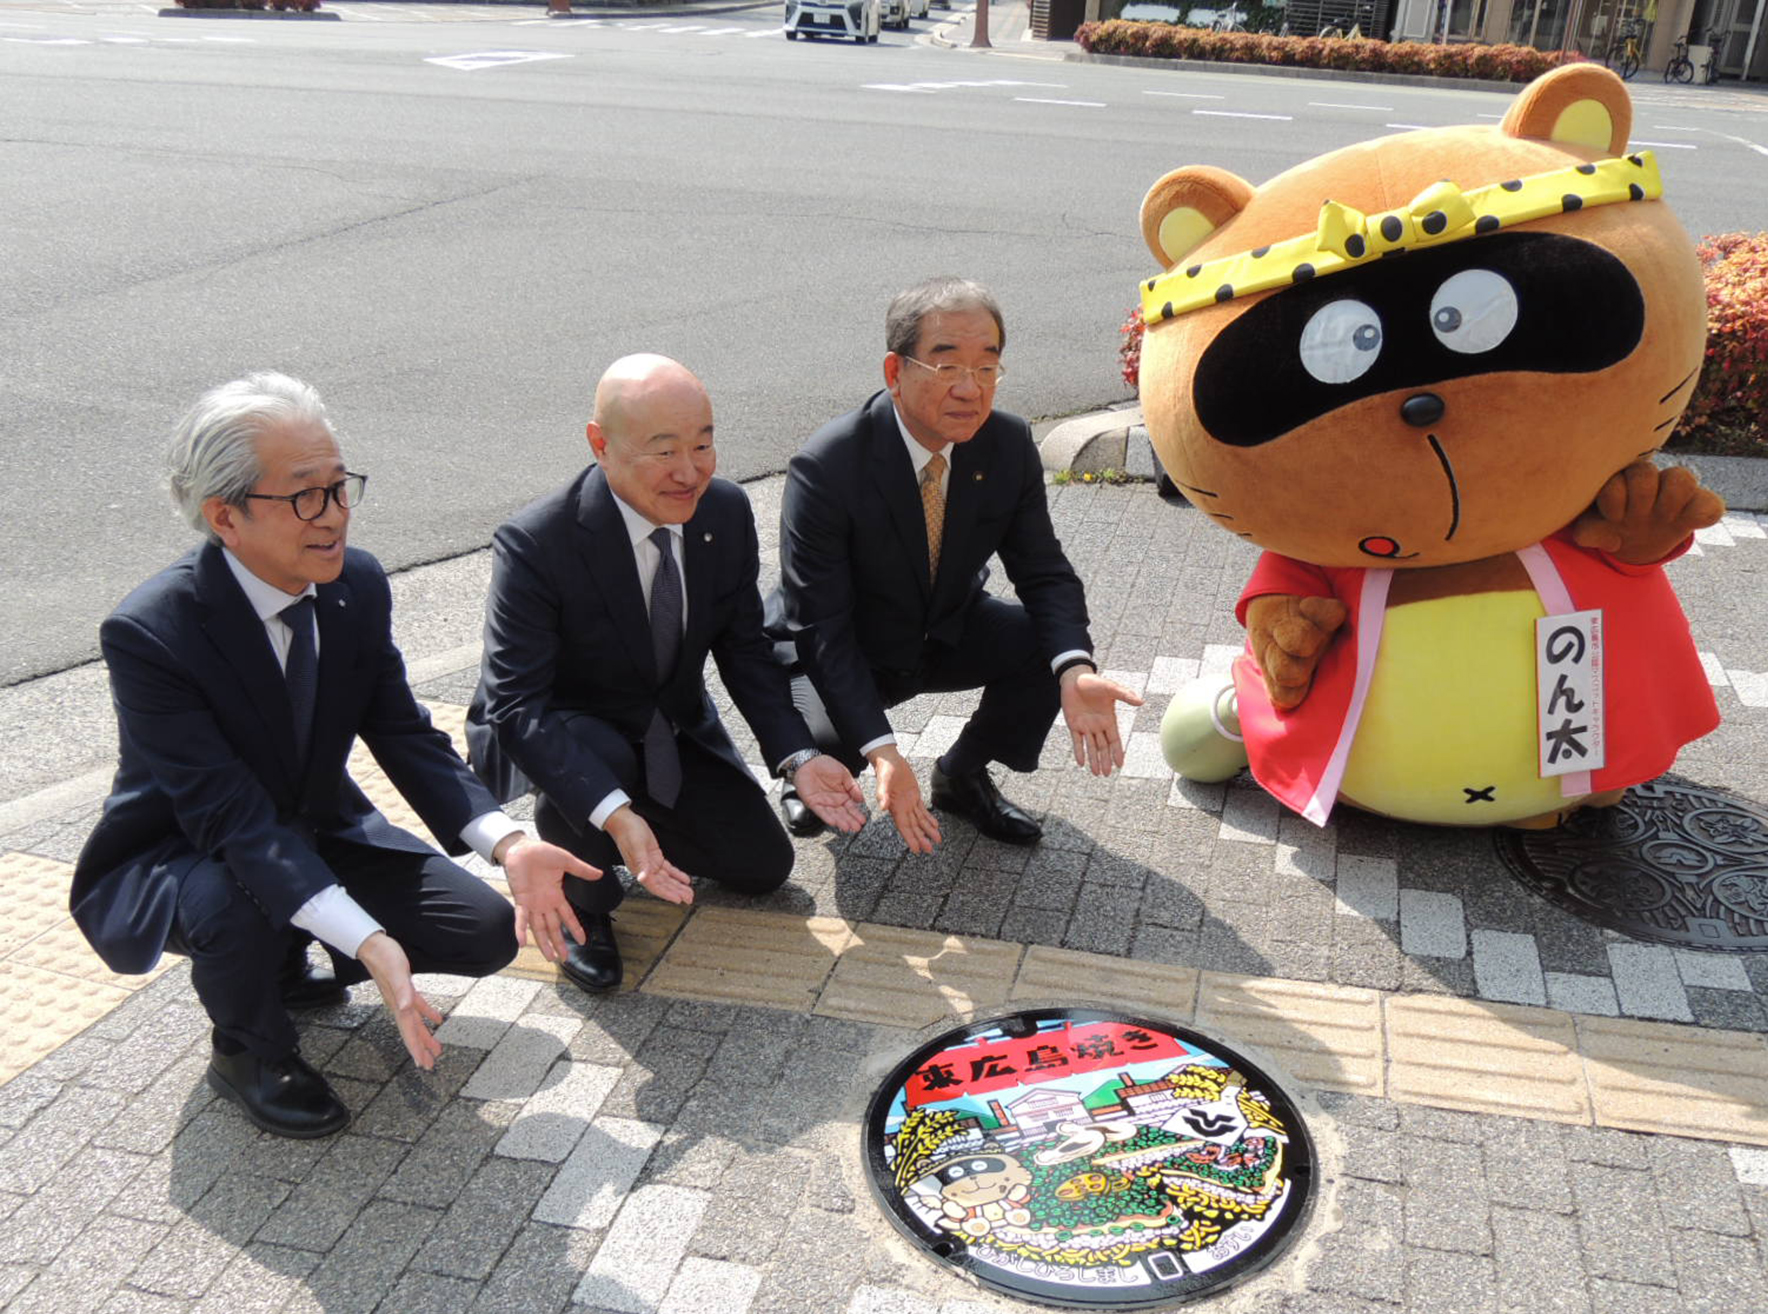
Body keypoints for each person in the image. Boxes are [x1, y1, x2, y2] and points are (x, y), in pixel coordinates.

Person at [70, 373, 601, 1140]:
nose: (334, 516)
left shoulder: (356, 582)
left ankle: (290, 956)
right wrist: (369, 940)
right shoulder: (153, 632)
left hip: (317, 826)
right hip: (186, 851)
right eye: (304, 496)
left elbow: (403, 731)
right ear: (226, 515)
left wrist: (508, 842)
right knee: (233, 899)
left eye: (339, 486)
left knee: (485, 930)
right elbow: (230, 817)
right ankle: (249, 1050)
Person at [466, 354, 867, 994]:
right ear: (601, 444)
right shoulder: (538, 543)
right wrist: (613, 812)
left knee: (763, 866)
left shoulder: (724, 511)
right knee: (594, 756)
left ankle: (635, 819)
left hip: (667, 728)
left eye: (704, 443)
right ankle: (581, 899)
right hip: (567, 733)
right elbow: (516, 708)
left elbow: (743, 646)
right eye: (664, 452)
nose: (691, 471)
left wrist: (797, 755)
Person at [766, 277, 1142, 850]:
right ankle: (809, 771)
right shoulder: (828, 466)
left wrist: (1075, 669)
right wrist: (883, 750)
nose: (971, 389)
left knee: (1051, 644)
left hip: (943, 627)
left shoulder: (1007, 443)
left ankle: (961, 775)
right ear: (895, 373)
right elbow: (822, 628)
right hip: (847, 647)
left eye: (987, 368)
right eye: (948, 368)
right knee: (825, 748)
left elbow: (1044, 569)